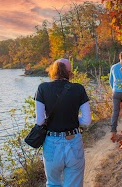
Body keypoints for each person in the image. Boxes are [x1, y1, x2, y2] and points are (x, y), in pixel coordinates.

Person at [34, 58, 91, 187]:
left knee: (53, 184)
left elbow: (40, 121)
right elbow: (86, 121)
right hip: (73, 141)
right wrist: (73, 119)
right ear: (69, 72)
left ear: (53, 71)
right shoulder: (79, 89)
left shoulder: (42, 88)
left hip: (51, 142)